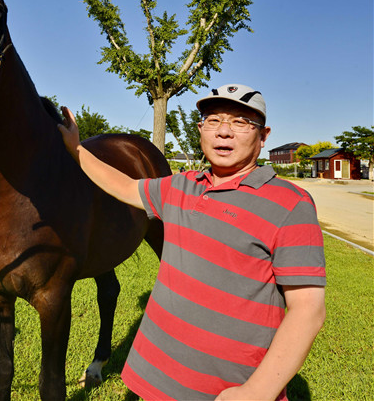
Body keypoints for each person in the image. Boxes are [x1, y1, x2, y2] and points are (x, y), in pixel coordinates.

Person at [58, 84, 326, 401]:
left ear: (263, 135)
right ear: (200, 129)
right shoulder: (183, 186)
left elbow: (308, 310)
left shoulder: (290, 205)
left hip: (225, 391)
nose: (224, 132)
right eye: (213, 120)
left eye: (241, 122)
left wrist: (258, 391)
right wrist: (77, 149)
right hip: (151, 375)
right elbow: (126, 186)